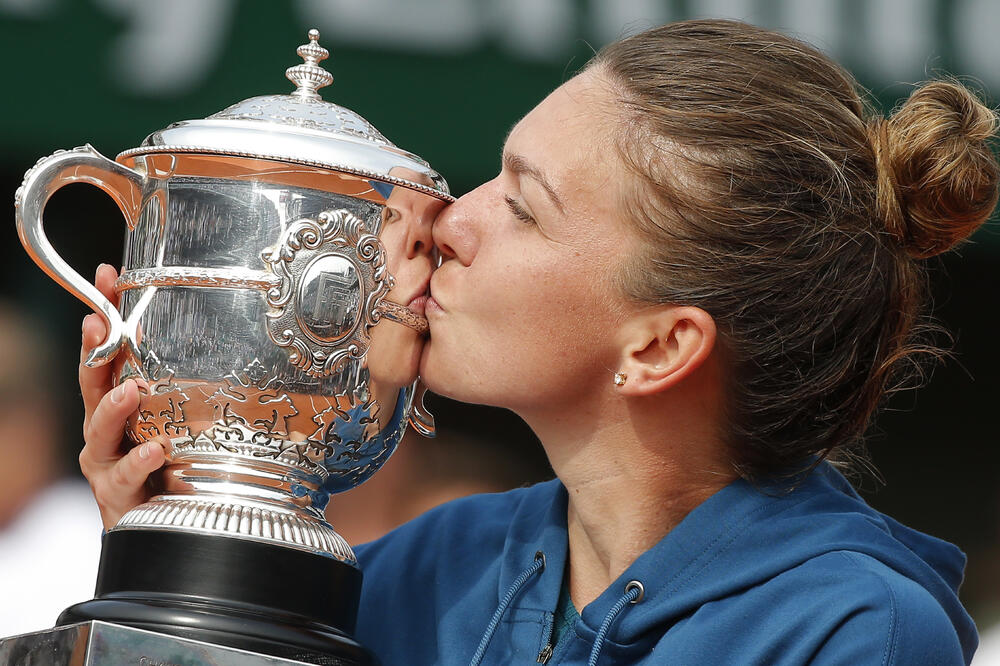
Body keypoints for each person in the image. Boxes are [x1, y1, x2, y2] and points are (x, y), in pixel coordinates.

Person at [76, 19, 998, 665]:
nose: (449, 224)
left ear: (660, 348)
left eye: (522, 206)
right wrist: (179, 556)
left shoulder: (852, 632)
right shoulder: (428, 567)